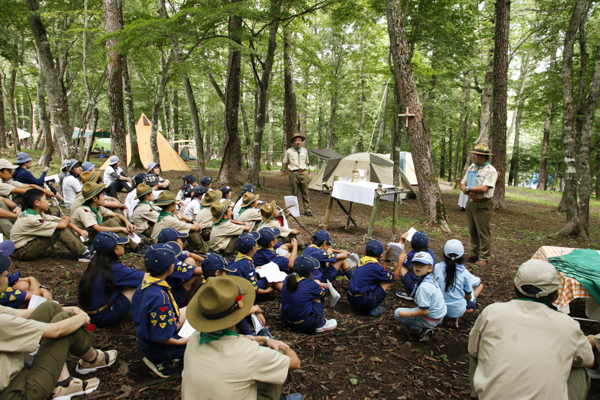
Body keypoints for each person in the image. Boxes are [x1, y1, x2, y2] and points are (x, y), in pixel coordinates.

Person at [0, 241, 118, 400]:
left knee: (50, 308)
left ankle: (91, 360)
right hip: (19, 390)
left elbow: (21, 314)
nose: (7, 275)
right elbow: (56, 331)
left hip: (13, 369)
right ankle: (66, 382)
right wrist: (81, 317)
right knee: (64, 323)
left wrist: (67, 308)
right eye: (2, 273)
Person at [468, 259, 594, 400]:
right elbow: (589, 360)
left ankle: (479, 395)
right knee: (580, 370)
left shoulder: (492, 312)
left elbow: (473, 350)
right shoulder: (568, 325)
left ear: (514, 286)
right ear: (556, 294)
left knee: (476, 354)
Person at [181, 275, 303, 400]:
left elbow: (229, 339)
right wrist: (285, 347)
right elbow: (295, 363)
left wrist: (264, 340)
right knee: (281, 356)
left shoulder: (195, 338)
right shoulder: (250, 353)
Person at [131, 242, 189, 378]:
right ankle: (159, 360)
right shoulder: (159, 299)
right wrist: (182, 341)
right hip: (158, 347)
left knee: (192, 311)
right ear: (171, 267)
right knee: (202, 342)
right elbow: (160, 337)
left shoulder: (146, 285)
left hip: (148, 335)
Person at [78, 232, 145, 328]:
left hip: (89, 313)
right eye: (120, 244)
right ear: (115, 250)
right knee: (136, 286)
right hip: (103, 317)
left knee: (129, 280)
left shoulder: (96, 262)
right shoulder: (115, 268)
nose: (123, 246)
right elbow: (146, 278)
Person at [10, 188, 95, 262]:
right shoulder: (31, 219)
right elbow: (62, 225)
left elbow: (60, 220)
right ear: (37, 203)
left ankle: (82, 248)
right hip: (22, 251)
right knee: (59, 229)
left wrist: (78, 230)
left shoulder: (36, 213)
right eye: (45, 200)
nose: (48, 202)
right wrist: (67, 219)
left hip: (27, 245)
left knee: (60, 225)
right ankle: (83, 254)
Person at [459, 143, 498, 267]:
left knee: (483, 232)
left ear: (483, 156)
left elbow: (485, 188)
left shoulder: (491, 171)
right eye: (474, 154)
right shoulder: (472, 167)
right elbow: (462, 183)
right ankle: (474, 253)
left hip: (483, 204)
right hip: (471, 203)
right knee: (472, 230)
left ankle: (484, 257)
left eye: (476, 155)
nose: (474, 157)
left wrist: (469, 188)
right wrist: (464, 189)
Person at [394, 252, 447, 341]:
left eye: (421, 265)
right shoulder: (430, 278)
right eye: (415, 264)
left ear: (430, 268)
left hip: (431, 318)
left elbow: (425, 311)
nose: (417, 267)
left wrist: (406, 314)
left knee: (397, 313)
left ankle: (422, 329)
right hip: (440, 314)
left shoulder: (424, 287)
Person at [71, 182, 137, 249]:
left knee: (116, 218)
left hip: (94, 235)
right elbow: (98, 229)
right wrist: (122, 229)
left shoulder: (97, 207)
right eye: (102, 195)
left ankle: (134, 238)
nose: (104, 198)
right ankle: (135, 245)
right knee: (110, 222)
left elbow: (117, 214)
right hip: (86, 239)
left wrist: (127, 222)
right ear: (95, 198)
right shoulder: (84, 211)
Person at [281, 255, 337, 334]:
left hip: (286, 321)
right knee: (317, 295)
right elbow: (325, 293)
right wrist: (320, 285)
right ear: (310, 273)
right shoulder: (310, 284)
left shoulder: (288, 279)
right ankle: (320, 323)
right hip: (304, 325)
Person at [347, 239, 403, 316]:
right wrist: (400, 261)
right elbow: (395, 277)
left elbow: (381, 272)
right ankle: (373, 308)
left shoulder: (362, 261)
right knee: (387, 283)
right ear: (381, 255)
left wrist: (387, 258)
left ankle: (367, 305)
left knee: (380, 279)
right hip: (363, 302)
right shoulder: (375, 268)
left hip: (351, 299)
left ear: (365, 252)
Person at [433, 240, 476, 328]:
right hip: (456, 310)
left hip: (438, 308)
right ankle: (454, 317)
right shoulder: (465, 273)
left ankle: (442, 317)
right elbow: (468, 297)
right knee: (472, 306)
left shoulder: (437, 267)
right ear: (462, 256)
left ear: (444, 254)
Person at [0, 240, 53, 308]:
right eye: (6, 256)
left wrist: (43, 289)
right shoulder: (7, 294)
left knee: (23, 285)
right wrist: (32, 279)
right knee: (26, 287)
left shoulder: (4, 275)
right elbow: (34, 295)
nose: (9, 258)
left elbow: (20, 280)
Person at [228, 232, 277, 300]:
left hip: (232, 289)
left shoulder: (235, 259)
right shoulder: (248, 265)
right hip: (240, 295)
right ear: (253, 248)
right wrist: (267, 290)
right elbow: (254, 289)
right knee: (266, 280)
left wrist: (254, 269)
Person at [396, 231, 436, 301]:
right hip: (430, 285)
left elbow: (397, 262)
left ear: (411, 244)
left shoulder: (411, 255)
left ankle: (410, 293)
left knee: (400, 264)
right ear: (428, 245)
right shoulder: (430, 252)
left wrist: (401, 241)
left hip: (416, 286)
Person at [282, 133, 311, 217]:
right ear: (293, 142)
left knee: (305, 192)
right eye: (296, 140)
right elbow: (286, 162)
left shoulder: (304, 151)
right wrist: (291, 170)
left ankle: (307, 210)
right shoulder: (289, 151)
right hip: (293, 173)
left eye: (300, 140)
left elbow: (306, 161)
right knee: (294, 192)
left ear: (301, 142)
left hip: (303, 172)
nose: (298, 142)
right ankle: (294, 210)